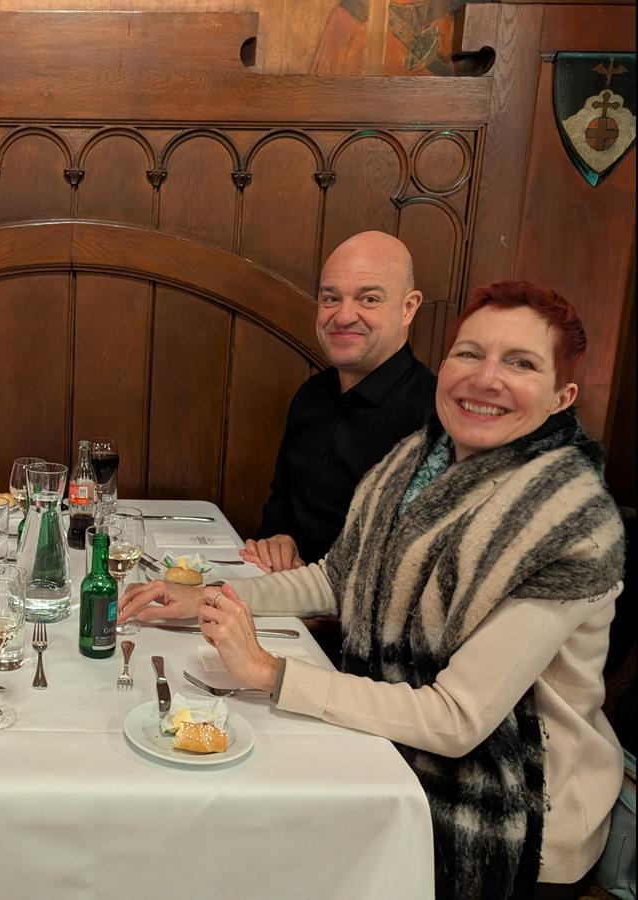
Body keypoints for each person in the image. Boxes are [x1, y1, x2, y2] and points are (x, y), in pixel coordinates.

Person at [121, 280, 625, 900]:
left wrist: (271, 672)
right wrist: (211, 597)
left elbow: (457, 718)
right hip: (388, 746)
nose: (486, 378)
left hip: (510, 809)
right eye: (470, 354)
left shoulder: (569, 522)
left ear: (561, 396)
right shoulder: (417, 459)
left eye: (520, 363)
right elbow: (337, 578)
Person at [243, 230, 436, 573]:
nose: (344, 316)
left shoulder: (432, 418)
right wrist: (277, 538)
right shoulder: (310, 395)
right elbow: (282, 498)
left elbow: (409, 563)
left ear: (408, 308)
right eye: (330, 298)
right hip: (278, 587)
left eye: (369, 299)